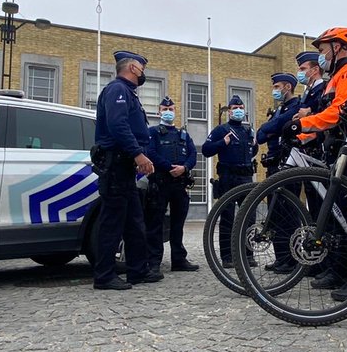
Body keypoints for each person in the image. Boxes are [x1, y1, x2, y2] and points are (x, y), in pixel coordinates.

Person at [289, 28, 347, 302]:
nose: (321, 56)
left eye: (323, 50)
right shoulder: (335, 78)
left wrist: (303, 124)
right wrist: (302, 134)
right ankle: (340, 269)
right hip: (335, 148)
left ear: (338, 48)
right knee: (338, 213)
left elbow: (337, 113)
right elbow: (325, 118)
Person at [92, 51, 161, 290]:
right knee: (112, 221)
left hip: (125, 166)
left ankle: (137, 270)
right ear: (132, 67)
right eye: (142, 67)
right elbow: (118, 125)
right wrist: (137, 154)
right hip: (117, 163)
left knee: (134, 221)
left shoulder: (128, 92)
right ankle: (104, 276)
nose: (143, 72)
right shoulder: (117, 90)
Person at [145, 97, 200, 272]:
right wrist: (169, 168)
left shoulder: (182, 134)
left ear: (175, 111)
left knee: (178, 224)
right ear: (159, 112)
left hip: (180, 183)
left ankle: (179, 259)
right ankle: (154, 262)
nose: (168, 112)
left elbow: (193, 154)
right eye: (164, 109)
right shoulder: (153, 132)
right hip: (160, 182)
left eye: (171, 109)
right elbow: (150, 153)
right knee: (155, 223)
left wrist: (184, 168)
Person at [203, 95, 256, 267]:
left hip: (246, 178)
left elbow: (252, 151)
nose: (238, 110)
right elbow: (206, 150)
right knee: (227, 218)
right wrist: (222, 143)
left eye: (241, 107)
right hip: (228, 178)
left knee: (250, 217)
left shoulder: (248, 131)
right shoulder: (221, 130)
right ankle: (227, 257)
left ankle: (248, 255)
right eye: (235, 108)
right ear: (229, 111)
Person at [256, 73, 302, 272]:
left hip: (289, 163)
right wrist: (272, 128)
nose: (274, 90)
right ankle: (281, 257)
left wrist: (271, 128)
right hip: (274, 164)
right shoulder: (279, 110)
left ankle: (293, 259)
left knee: (288, 213)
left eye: (277, 86)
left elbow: (277, 125)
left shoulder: (296, 106)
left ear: (287, 87)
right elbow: (260, 136)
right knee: (275, 213)